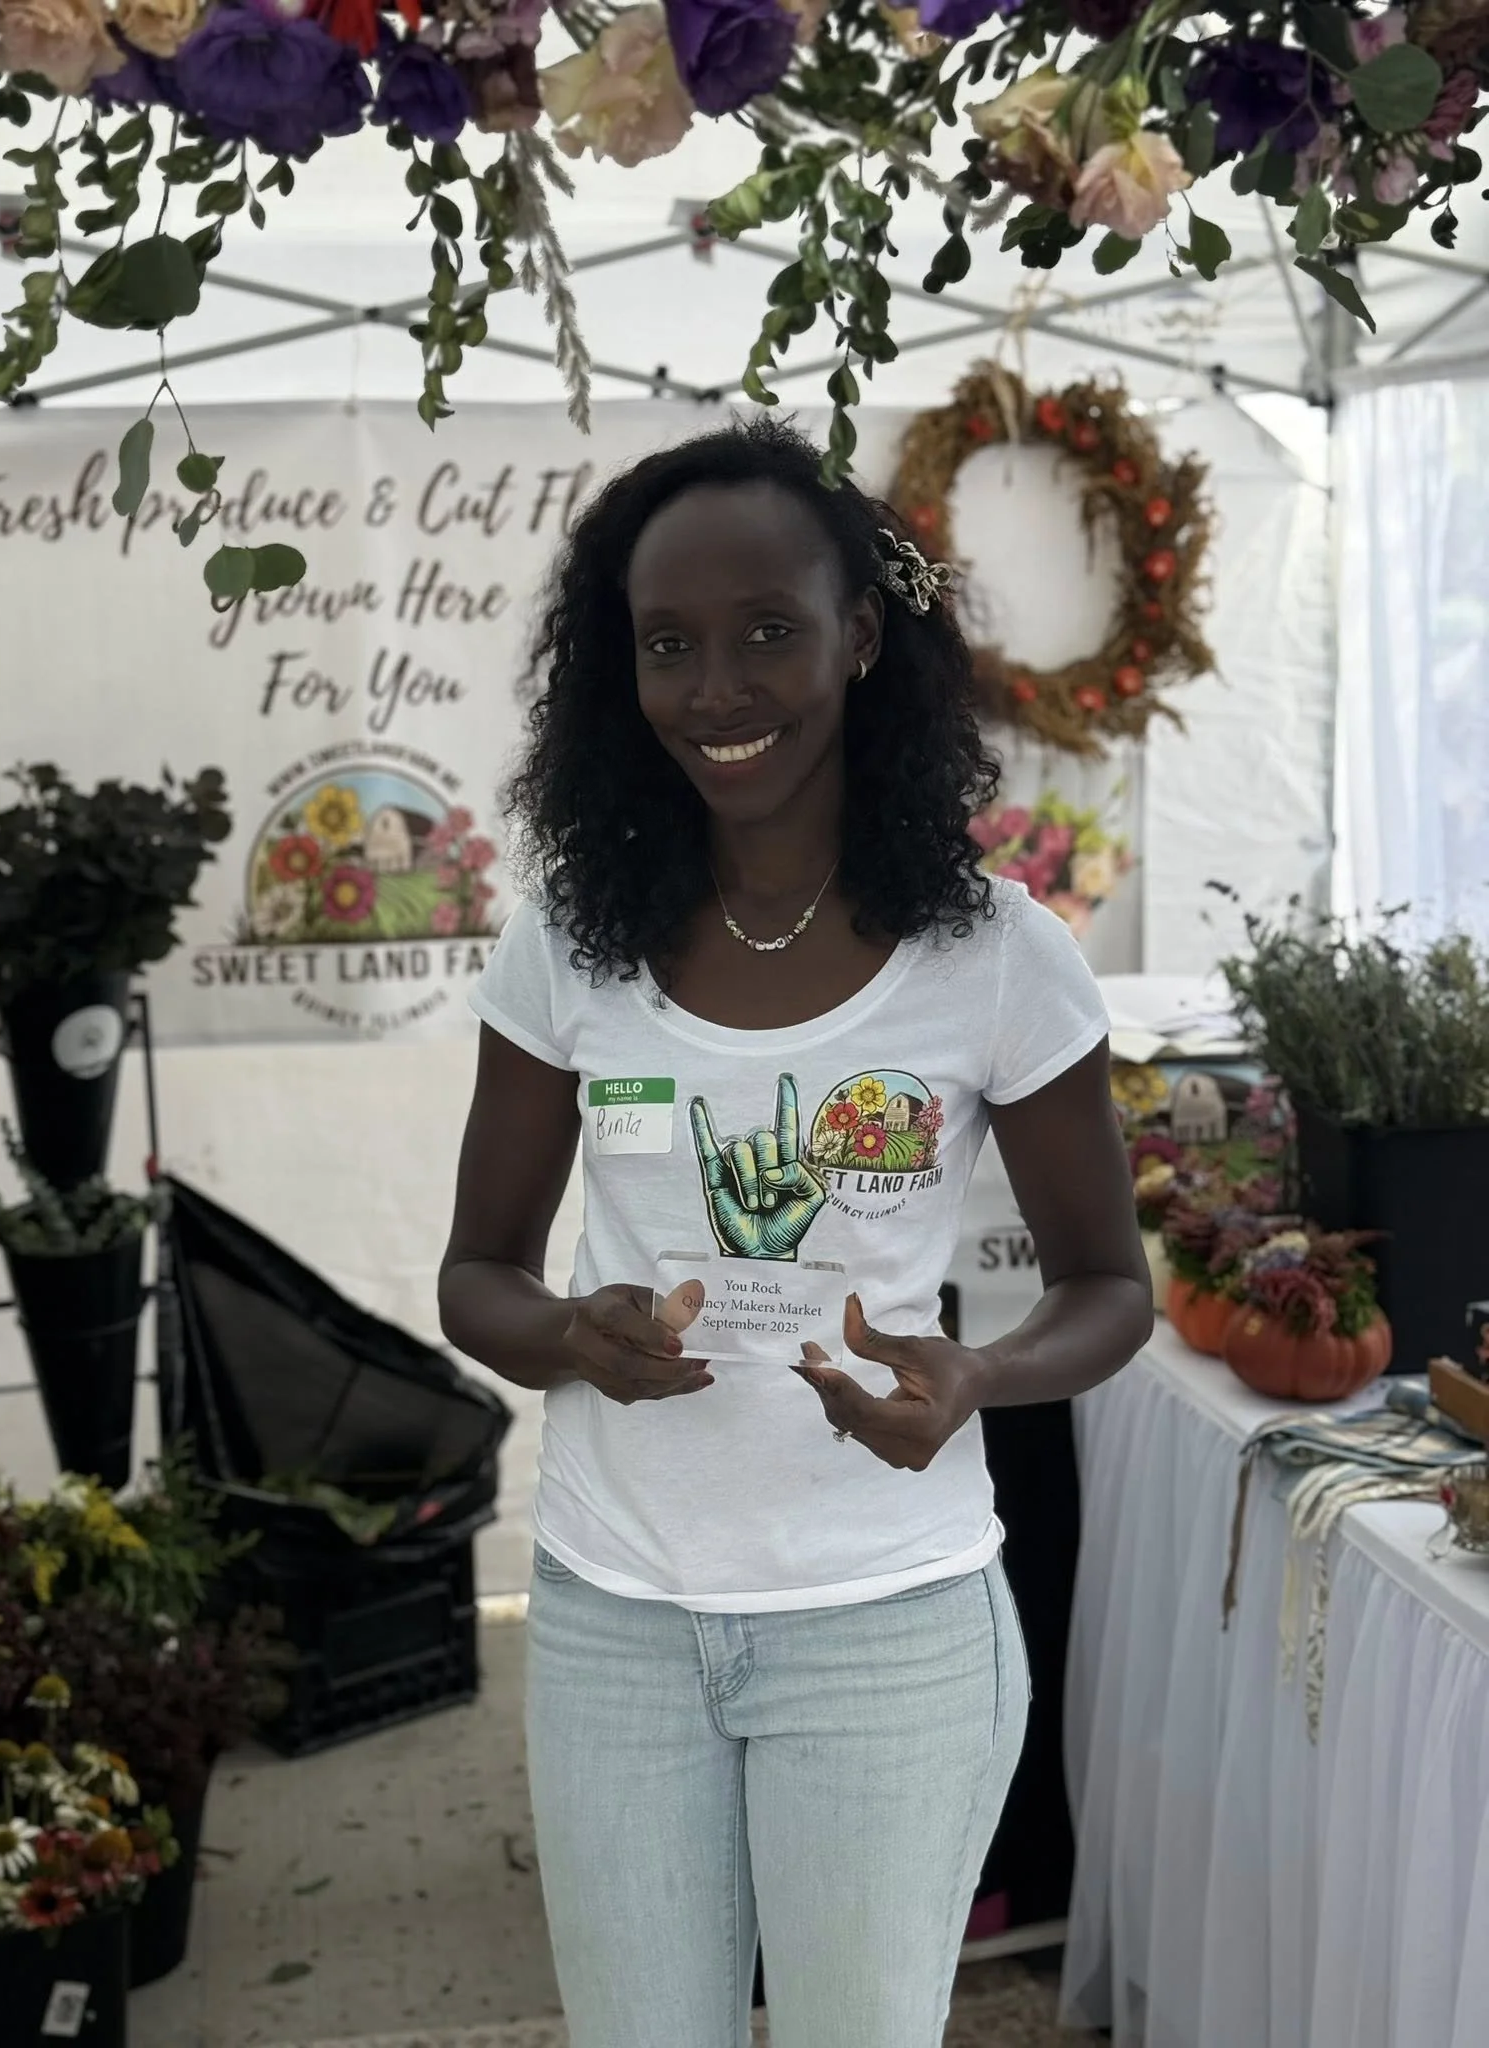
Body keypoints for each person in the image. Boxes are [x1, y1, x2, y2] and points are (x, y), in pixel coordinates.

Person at [439, 417, 1152, 2048]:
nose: (718, 689)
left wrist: (974, 1377)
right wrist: (568, 1337)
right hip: (619, 1617)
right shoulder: (570, 946)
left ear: (861, 636)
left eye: (769, 630)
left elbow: (1112, 1289)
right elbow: (475, 1277)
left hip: (890, 1631)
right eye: (668, 644)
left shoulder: (997, 959)